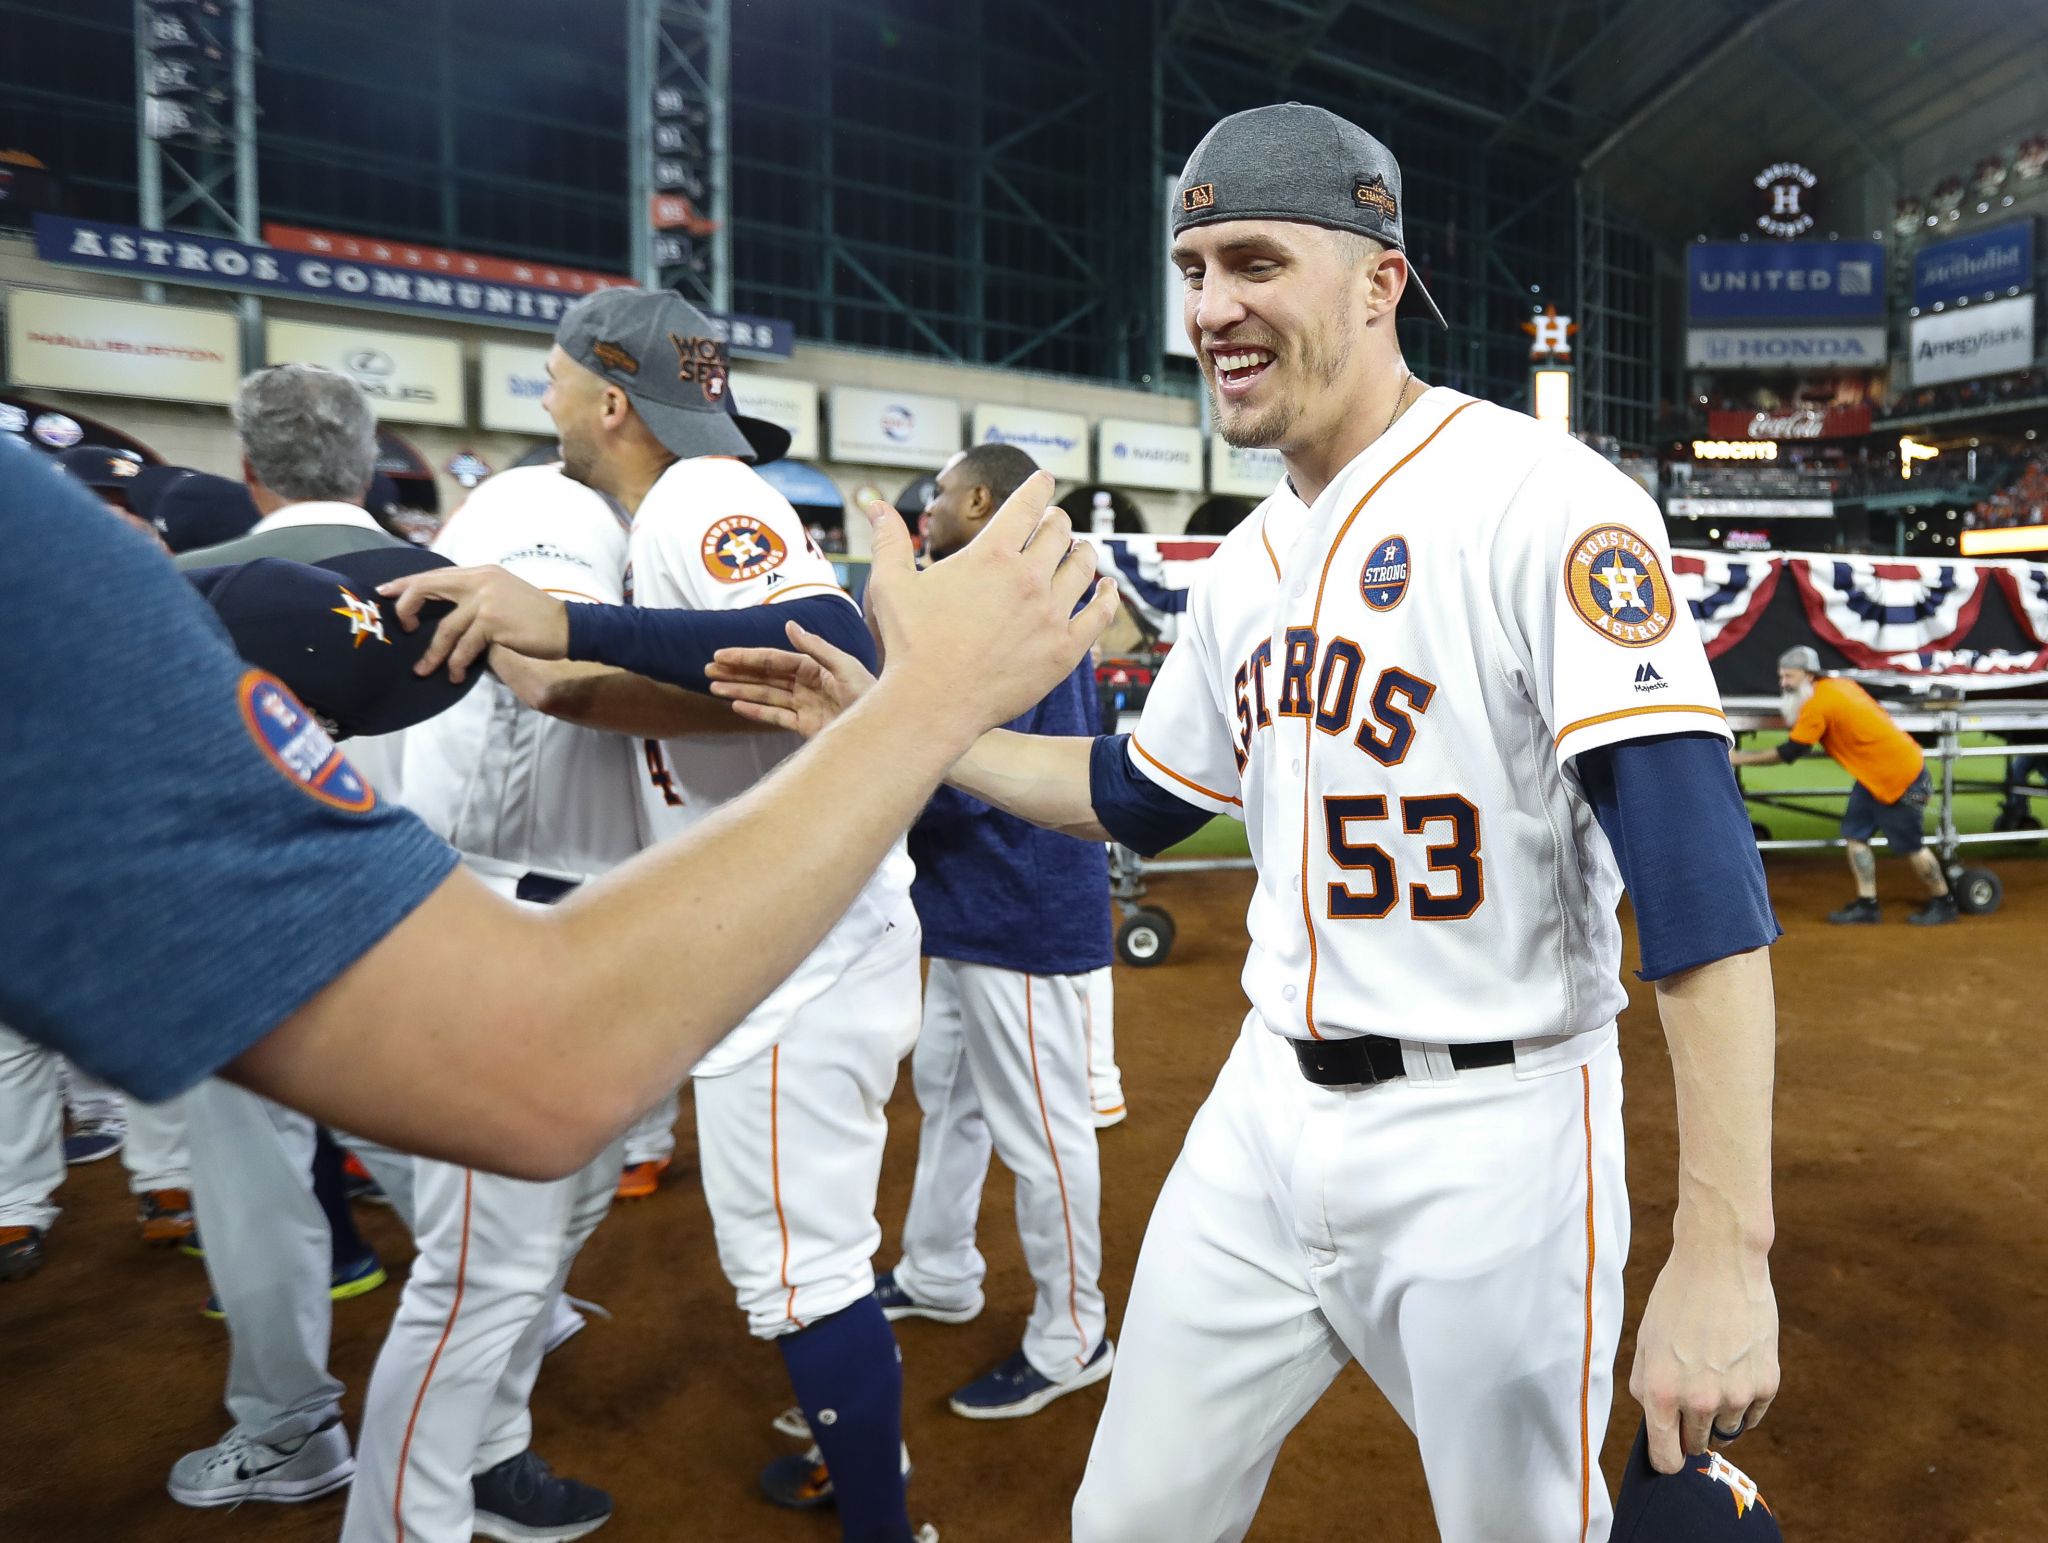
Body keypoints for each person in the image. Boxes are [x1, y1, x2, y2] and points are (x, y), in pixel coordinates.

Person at [706, 103, 1781, 1542]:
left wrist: (1725, 1241)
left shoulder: (1544, 497)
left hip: (1497, 1131)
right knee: (1129, 1518)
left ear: (1379, 280)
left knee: (1530, 1526)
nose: (1212, 306)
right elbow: (1131, 792)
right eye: (1196, 266)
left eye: (1255, 261)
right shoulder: (1249, 559)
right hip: (1263, 1110)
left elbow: (1699, 881)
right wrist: (905, 725)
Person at [0, 416, 1111, 1180]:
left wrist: (913, 714)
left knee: (978, 1161)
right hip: (849, 921)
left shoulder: (704, 498)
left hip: (945, 923)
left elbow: (1129, 793)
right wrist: (912, 714)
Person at [372, 286, 987, 1543]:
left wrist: (567, 620)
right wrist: (574, 682)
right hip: (801, 918)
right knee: (809, 1255)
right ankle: (854, 1455)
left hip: (795, 944)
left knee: (801, 1270)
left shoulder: (702, 496)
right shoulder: (693, 498)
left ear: (611, 401)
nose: (543, 402)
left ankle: (885, 1524)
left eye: (552, 379)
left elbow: (817, 633)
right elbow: (748, 686)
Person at [339, 463, 643, 1543]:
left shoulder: (591, 525)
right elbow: (543, 672)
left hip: (573, 924)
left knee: (541, 1239)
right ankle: (407, 1519)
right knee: (480, 1270)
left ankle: (492, 1450)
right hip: (502, 931)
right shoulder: (538, 519)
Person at [875, 442, 1118, 1421]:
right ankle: (938, 1270)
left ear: (978, 498)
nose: (926, 510)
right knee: (952, 1099)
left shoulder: (1010, 596)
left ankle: (1072, 1333)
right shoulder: (1014, 584)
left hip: (1020, 902)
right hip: (978, 905)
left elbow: (980, 769)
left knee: (1045, 1132)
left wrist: (885, 792)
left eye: (936, 495)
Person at [1730, 645, 1956, 925]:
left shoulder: (1818, 704)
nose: (1783, 683)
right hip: (1873, 776)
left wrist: (1738, 758)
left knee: (1911, 846)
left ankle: (1944, 901)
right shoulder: (1839, 686)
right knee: (1855, 835)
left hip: (1899, 776)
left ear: (1809, 675)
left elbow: (1791, 752)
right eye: (1781, 677)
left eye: (1789, 676)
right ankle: (1867, 903)